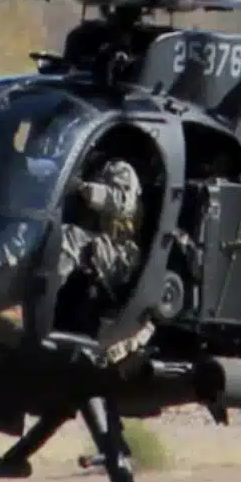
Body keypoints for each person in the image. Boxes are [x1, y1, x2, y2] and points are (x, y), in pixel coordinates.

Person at [58, 156, 150, 367]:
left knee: (69, 239)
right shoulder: (82, 165)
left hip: (120, 255)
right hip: (102, 246)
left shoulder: (120, 168)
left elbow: (123, 203)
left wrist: (84, 189)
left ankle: (39, 298)